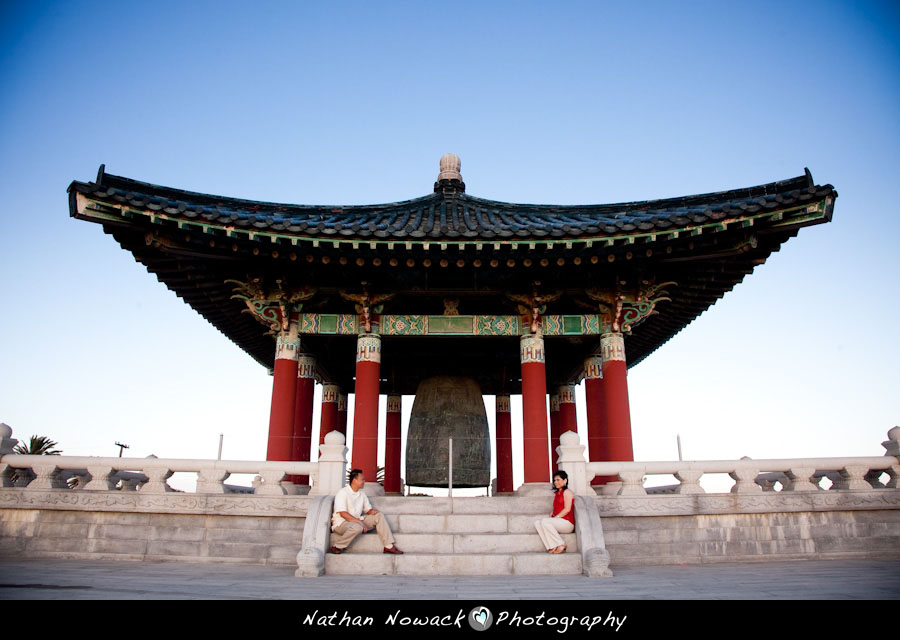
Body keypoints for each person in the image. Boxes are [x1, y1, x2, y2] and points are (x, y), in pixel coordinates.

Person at [331, 468, 404, 555]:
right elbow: (343, 514)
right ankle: (337, 546)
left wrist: (372, 512)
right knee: (357, 527)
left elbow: (367, 509)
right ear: (354, 480)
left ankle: (388, 546)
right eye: (362, 479)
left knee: (379, 516)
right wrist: (359, 522)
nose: (364, 481)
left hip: (358, 521)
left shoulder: (362, 494)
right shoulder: (342, 493)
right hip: (342, 524)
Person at [534, 470, 575, 554]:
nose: (556, 482)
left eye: (558, 480)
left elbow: (567, 509)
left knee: (545, 522)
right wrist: (552, 513)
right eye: (554, 480)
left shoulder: (567, 492)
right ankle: (552, 546)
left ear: (565, 480)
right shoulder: (557, 493)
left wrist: (556, 518)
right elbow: (558, 506)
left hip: (567, 523)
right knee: (537, 523)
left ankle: (561, 544)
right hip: (559, 521)